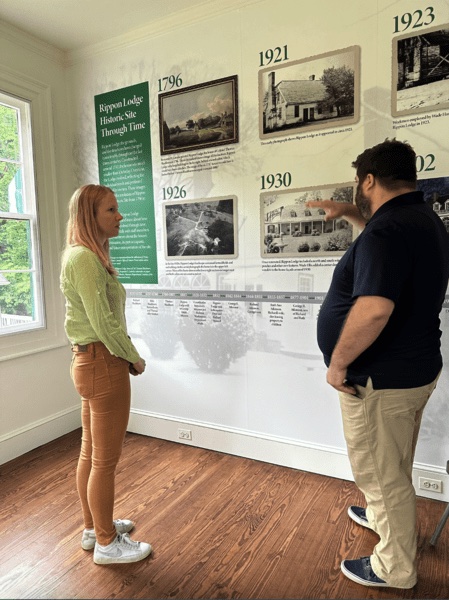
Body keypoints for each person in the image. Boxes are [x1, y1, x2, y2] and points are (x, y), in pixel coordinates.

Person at [308, 139, 449, 589]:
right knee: (394, 463)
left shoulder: (387, 233)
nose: (356, 191)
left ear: (368, 180)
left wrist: (337, 365)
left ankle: (396, 569)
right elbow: (381, 240)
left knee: (381, 473)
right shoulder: (423, 219)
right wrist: (350, 214)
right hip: (414, 370)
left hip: (379, 381)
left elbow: (373, 310)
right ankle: (385, 519)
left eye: (357, 184)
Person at [60, 184, 152, 565]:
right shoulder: (83, 258)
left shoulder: (85, 256)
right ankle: (106, 543)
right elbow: (103, 323)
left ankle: (92, 527)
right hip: (103, 362)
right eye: (111, 210)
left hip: (91, 362)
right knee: (103, 461)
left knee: (91, 453)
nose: (120, 216)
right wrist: (134, 358)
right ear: (89, 216)